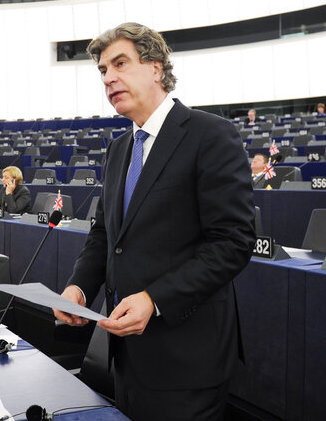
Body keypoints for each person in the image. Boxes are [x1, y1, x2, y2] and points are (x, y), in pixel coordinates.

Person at [52, 23, 255, 421]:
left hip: (187, 358)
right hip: (127, 353)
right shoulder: (119, 148)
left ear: (156, 68)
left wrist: (154, 298)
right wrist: (79, 286)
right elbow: (105, 235)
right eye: (103, 71)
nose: (109, 77)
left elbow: (232, 242)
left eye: (121, 63)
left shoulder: (210, 135)